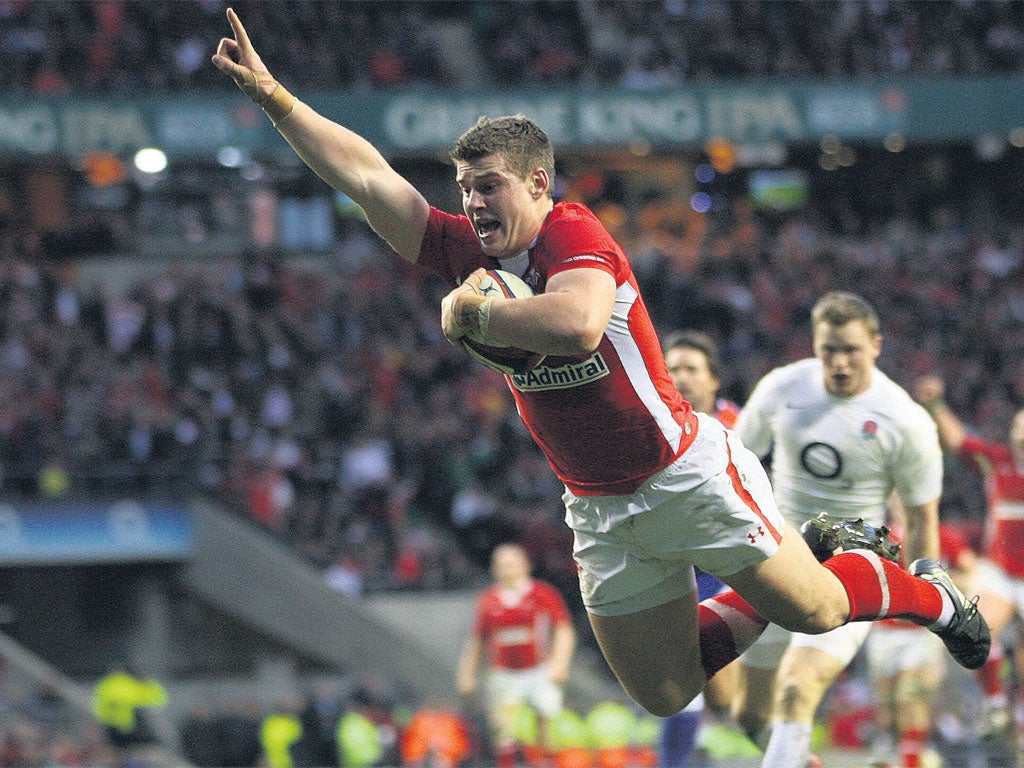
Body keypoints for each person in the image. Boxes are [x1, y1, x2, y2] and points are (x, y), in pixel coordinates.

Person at [212, 9, 989, 733]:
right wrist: (278, 99)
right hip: (597, 505)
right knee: (662, 692)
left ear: (539, 185)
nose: (473, 203)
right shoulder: (465, 252)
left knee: (819, 613)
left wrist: (472, 316)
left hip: (682, 472)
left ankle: (935, 600)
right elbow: (369, 177)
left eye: (489, 187)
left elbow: (579, 325)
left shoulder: (574, 233)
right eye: (464, 189)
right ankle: (807, 554)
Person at [727, 291, 946, 768]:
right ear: (815, 345)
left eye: (851, 349)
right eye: (829, 350)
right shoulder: (783, 388)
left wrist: (924, 600)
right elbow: (733, 462)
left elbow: (923, 517)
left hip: (850, 570)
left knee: (795, 687)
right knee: (748, 715)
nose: (839, 362)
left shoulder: (905, 420)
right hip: (776, 559)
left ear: (876, 346)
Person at [914, 374, 1024, 752]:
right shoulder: (998, 463)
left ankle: (1014, 722)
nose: (1021, 434)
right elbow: (960, 442)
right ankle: (994, 704)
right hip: (999, 571)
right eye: (1017, 427)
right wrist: (936, 406)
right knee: (977, 629)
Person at [659, 330, 740, 768]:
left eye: (690, 368)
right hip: (671, 564)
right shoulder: (651, 423)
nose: (679, 376)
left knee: (724, 695)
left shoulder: (746, 427)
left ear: (714, 381)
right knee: (678, 678)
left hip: (727, 565)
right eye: (672, 368)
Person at [864, 513, 978, 768]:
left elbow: (972, 574)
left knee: (911, 698)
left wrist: (940, 585)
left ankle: (911, 761)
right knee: (888, 711)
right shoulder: (879, 536)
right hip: (885, 632)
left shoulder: (942, 535)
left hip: (922, 634)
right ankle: (904, 755)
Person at [456, 542, 577, 768]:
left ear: (525, 565)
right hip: (504, 673)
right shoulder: (489, 600)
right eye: (501, 565)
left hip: (539, 670)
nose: (507, 569)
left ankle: (545, 763)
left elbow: (563, 629)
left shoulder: (542, 594)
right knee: (504, 729)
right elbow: (477, 640)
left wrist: (559, 663)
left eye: (512, 564)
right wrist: (467, 673)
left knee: (546, 724)